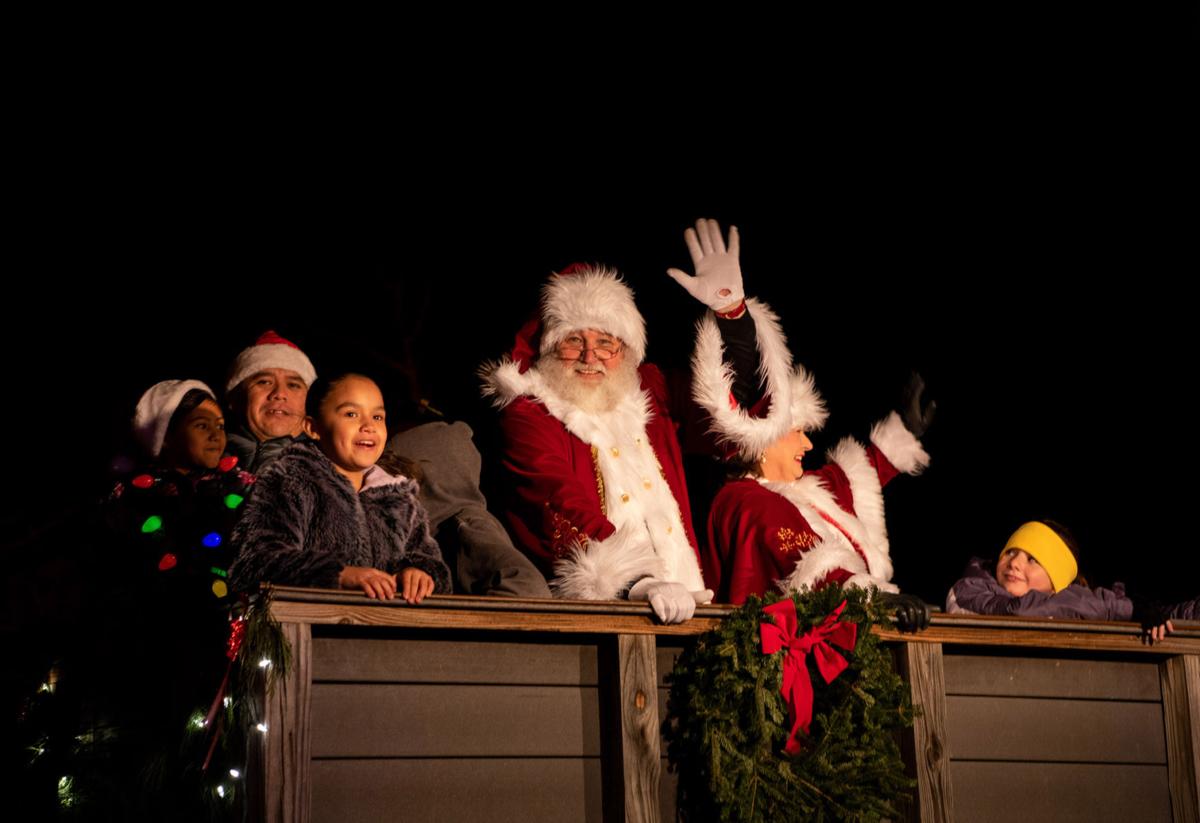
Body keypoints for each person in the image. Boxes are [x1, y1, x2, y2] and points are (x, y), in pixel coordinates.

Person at [480, 219, 767, 623]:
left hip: (692, 598)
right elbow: (555, 497)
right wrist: (636, 580)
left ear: (626, 348)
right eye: (573, 340)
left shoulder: (648, 390)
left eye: (605, 342)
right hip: (606, 613)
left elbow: (732, 406)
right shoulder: (529, 414)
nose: (590, 356)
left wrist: (732, 317)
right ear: (549, 346)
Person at [693, 291, 934, 629]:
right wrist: (870, 595)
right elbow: (805, 561)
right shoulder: (745, 500)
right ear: (763, 440)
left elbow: (852, 477)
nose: (807, 444)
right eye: (797, 432)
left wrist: (902, 433)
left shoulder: (803, 489)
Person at [230, 373, 451, 602]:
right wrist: (338, 574)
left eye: (377, 417)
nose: (368, 426)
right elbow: (254, 561)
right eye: (351, 414)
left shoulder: (399, 498)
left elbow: (431, 562)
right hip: (309, 632)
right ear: (313, 427)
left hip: (386, 633)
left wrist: (421, 573)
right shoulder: (289, 481)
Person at [946, 520, 1194, 642]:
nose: (1014, 563)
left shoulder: (1068, 603)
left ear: (1056, 583)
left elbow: (1177, 616)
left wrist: (1146, 611)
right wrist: (1126, 609)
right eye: (1011, 552)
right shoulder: (970, 588)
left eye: (1033, 559)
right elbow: (1020, 612)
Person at [224, 330, 318, 473]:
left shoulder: (332, 471)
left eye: (293, 385)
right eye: (264, 382)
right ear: (235, 398)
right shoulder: (199, 463)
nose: (279, 394)